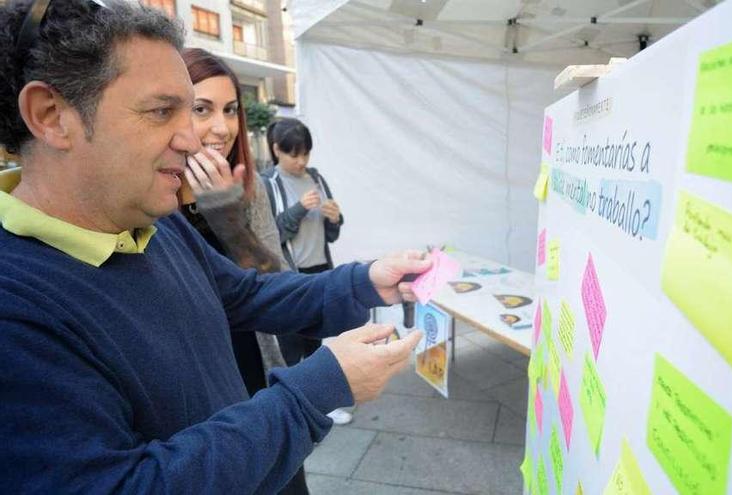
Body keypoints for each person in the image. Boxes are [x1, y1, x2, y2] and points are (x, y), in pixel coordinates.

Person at [0, 1, 428, 492]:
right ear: (51, 116)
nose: (195, 138)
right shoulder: (16, 306)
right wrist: (316, 389)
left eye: (196, 109)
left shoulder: (157, 223)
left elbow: (246, 295)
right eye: (163, 111)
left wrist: (366, 280)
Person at [179, 47, 311, 494]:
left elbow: (278, 283)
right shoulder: (147, 195)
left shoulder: (246, 188)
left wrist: (226, 215)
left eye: (231, 109)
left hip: (255, 363)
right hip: (195, 385)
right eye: (202, 109)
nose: (222, 127)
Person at [263, 118, 354, 424]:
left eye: (306, 153)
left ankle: (322, 404)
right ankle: (289, 413)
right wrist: (299, 208)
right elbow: (271, 236)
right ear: (277, 150)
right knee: (290, 346)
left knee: (316, 342)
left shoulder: (316, 177)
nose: (301, 161)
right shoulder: (268, 184)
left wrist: (334, 218)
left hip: (319, 270)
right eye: (293, 154)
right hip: (289, 275)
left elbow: (332, 235)